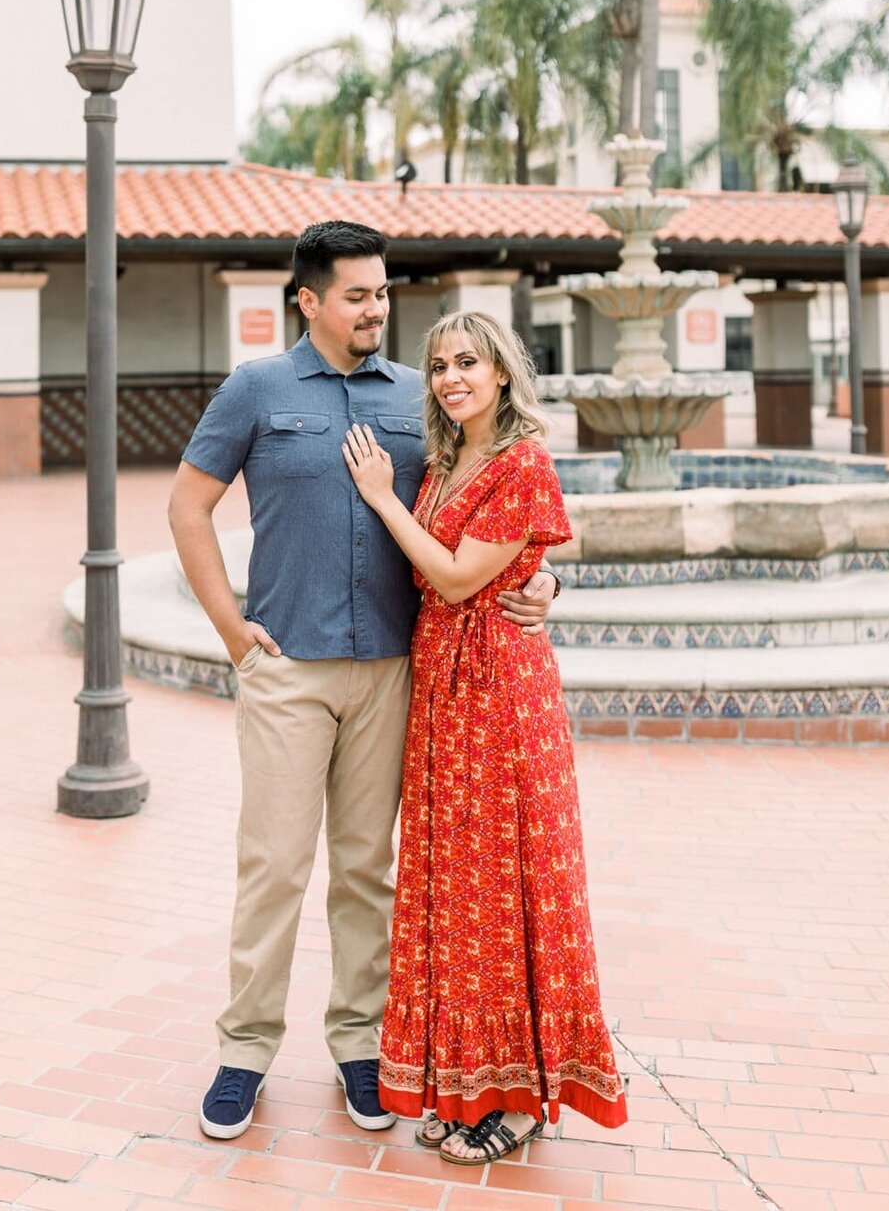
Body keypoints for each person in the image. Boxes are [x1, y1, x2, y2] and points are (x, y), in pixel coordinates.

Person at [167, 222, 561, 1141]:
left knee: (366, 870)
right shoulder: (255, 390)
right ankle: (245, 1052)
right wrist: (231, 630)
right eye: (357, 295)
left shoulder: (419, 403)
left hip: (394, 671)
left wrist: (541, 579)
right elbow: (188, 506)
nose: (376, 309)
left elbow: (486, 504)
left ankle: (359, 1048)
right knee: (272, 865)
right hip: (288, 670)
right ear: (309, 300)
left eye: (383, 293)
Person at [341, 308, 628, 1164]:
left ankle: (523, 1097)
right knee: (457, 889)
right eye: (438, 365)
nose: (451, 377)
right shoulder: (444, 458)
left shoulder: (522, 460)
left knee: (506, 886)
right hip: (442, 688)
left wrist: (383, 502)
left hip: (500, 689)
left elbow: (463, 575)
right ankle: (469, 1080)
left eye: (468, 361)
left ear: (502, 371)